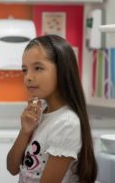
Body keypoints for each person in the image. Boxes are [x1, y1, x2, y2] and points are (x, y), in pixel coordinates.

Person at [6, 34, 97, 182]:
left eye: (38, 68)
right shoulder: (40, 112)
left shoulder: (66, 123)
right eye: (24, 70)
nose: (28, 77)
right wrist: (25, 131)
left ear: (62, 69)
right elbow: (12, 167)